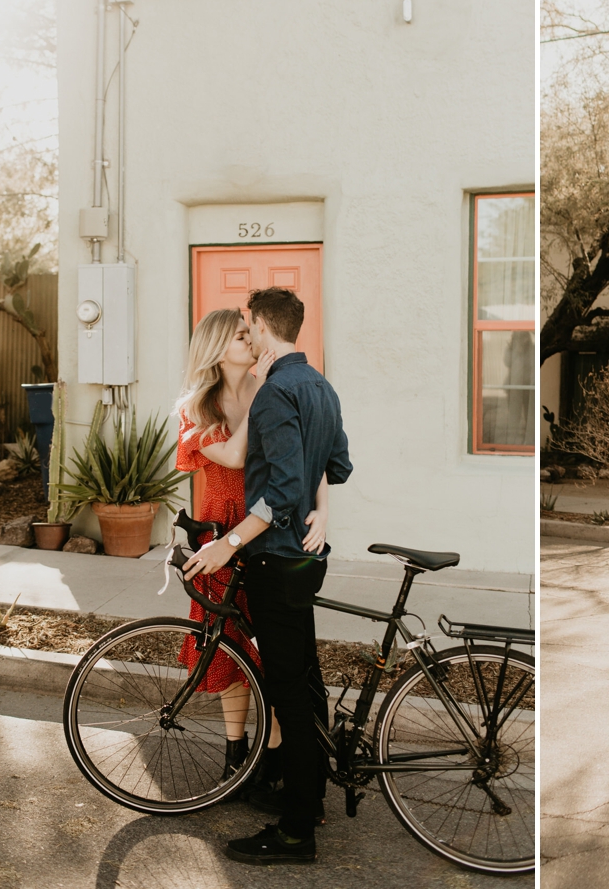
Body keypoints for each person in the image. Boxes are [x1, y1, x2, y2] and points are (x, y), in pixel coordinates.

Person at [183, 287, 351, 866]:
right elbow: (340, 463)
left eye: (246, 322)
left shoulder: (276, 391)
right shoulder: (319, 386)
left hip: (274, 555)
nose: (243, 331)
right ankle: (312, 795)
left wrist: (229, 545)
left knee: (289, 694)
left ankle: (296, 829)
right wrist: (320, 507)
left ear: (262, 324)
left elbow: (278, 494)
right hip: (305, 558)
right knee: (305, 681)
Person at [172, 309, 331, 792]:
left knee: (277, 653)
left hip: (273, 531)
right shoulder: (195, 409)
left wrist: (323, 510)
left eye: (250, 332)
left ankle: (278, 756)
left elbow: (309, 457)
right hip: (223, 537)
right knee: (229, 648)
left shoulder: (277, 391)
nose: (253, 342)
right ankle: (236, 752)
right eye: (242, 336)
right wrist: (261, 394)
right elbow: (237, 456)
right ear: (220, 349)